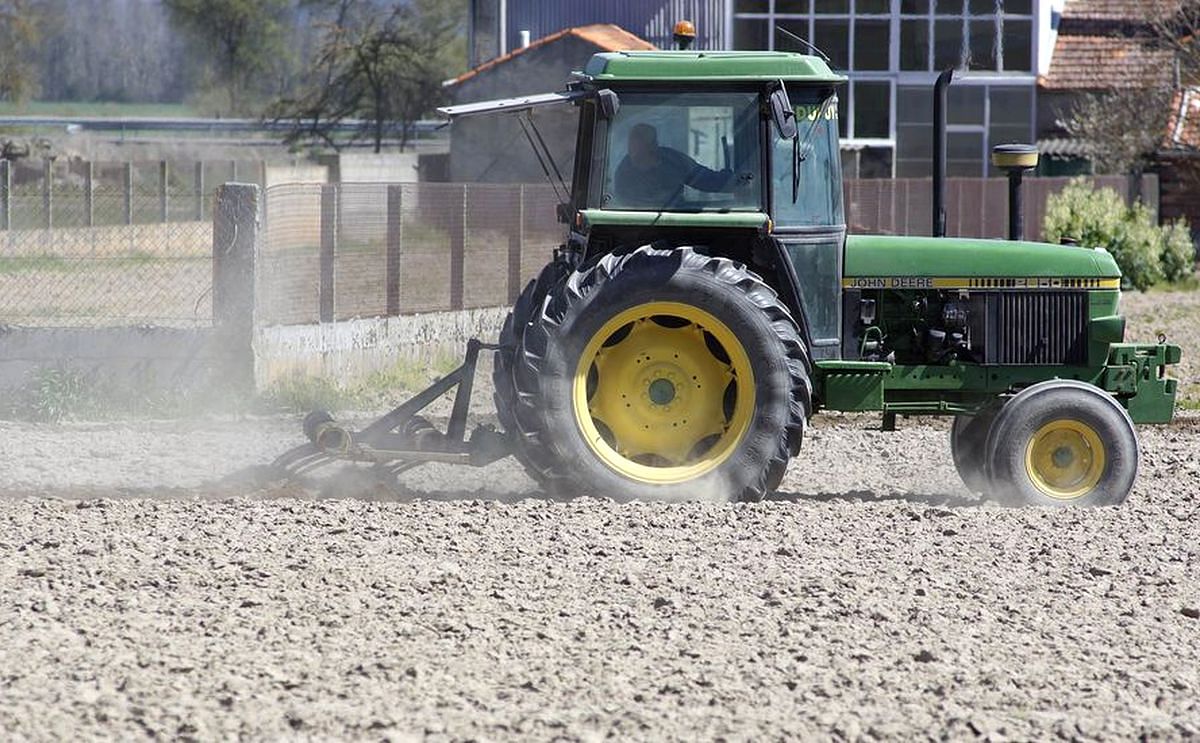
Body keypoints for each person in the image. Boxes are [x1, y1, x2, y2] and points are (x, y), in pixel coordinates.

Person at [613, 123, 733, 207]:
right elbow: (626, 205)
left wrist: (734, 181)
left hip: (680, 220)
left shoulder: (674, 161)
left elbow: (706, 179)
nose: (635, 151)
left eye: (642, 145)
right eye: (632, 146)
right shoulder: (624, 173)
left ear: (654, 145)